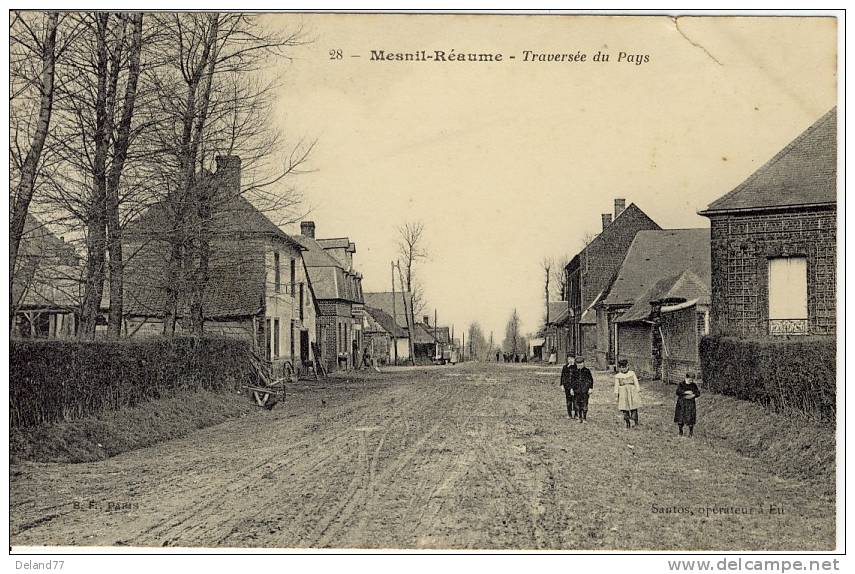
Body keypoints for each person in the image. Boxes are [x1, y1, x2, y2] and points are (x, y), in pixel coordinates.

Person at [614, 358, 641, 429]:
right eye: (621, 368)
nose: (623, 369)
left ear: (627, 366)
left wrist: (637, 389)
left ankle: (635, 421)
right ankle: (627, 423)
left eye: (624, 367)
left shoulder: (631, 373)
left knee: (633, 406)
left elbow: (636, 382)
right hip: (623, 392)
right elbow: (616, 386)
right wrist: (616, 394)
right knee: (624, 407)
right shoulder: (618, 376)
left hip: (632, 391)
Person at [674, 371, 701, 436]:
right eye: (689, 379)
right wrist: (686, 392)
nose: (691, 381)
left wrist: (693, 395)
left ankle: (690, 433)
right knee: (681, 417)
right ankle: (680, 432)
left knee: (690, 418)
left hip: (690, 404)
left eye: (692, 380)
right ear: (686, 378)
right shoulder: (681, 384)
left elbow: (698, 393)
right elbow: (678, 392)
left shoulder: (694, 385)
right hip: (682, 403)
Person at [573, 356, 594, 423]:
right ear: (576, 364)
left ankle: (584, 418)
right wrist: (571, 389)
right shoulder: (574, 371)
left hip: (585, 391)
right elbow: (572, 381)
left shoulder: (587, 371)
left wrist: (590, 388)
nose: (580, 365)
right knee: (577, 404)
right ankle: (579, 417)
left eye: (581, 363)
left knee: (585, 404)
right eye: (578, 364)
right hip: (577, 391)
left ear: (584, 363)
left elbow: (590, 380)